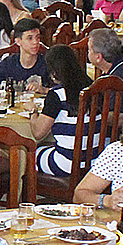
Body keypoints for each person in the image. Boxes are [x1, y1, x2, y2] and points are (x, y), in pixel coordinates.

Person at [32, 44, 91, 180]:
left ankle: (26, 198)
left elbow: (38, 133)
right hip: (95, 160)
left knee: (28, 154)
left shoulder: (57, 95)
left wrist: (33, 113)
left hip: (68, 164)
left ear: (53, 71)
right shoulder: (92, 87)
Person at [0, 18, 45, 85]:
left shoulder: (47, 64)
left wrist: (44, 90)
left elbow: (58, 89)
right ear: (18, 41)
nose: (35, 42)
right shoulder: (9, 63)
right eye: (30, 38)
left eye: (38, 37)